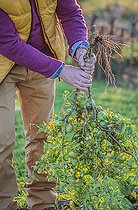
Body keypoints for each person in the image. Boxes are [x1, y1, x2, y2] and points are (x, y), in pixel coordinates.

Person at [0, 0, 96, 209]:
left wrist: (80, 46)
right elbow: (7, 42)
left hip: (43, 60)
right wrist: (61, 70)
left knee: (42, 135)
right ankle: (4, 203)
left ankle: (42, 203)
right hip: (2, 62)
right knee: (1, 140)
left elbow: (70, 12)